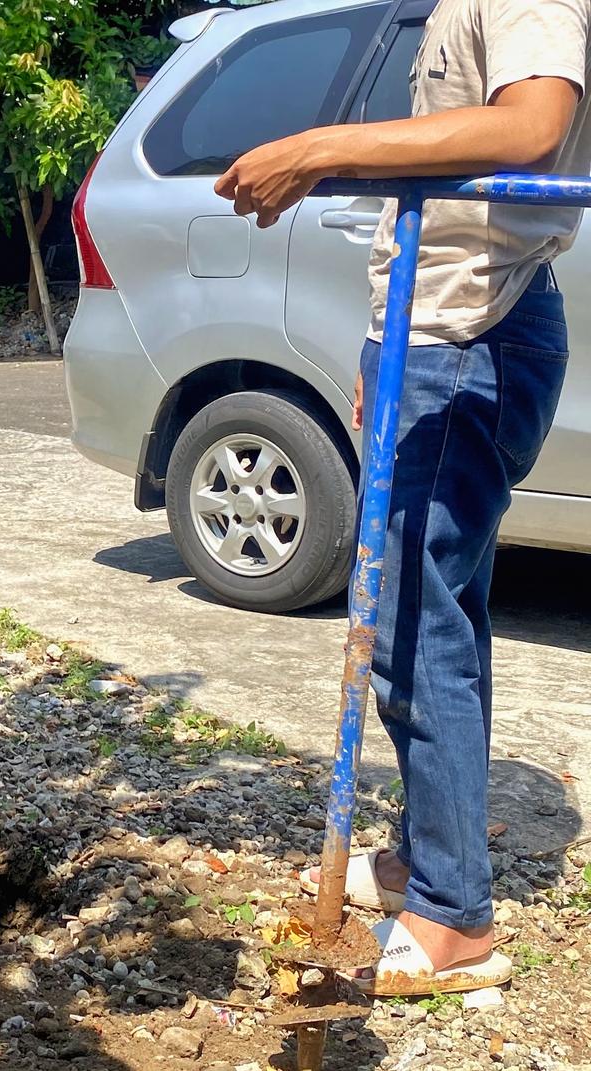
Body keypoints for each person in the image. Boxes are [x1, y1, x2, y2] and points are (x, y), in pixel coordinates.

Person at [215, 0, 591, 995]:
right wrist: (382, 348)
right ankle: (431, 860)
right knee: (439, 614)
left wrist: (320, 148)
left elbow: (535, 123)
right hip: (435, 335)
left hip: (472, 335)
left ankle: (455, 920)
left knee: (415, 627)